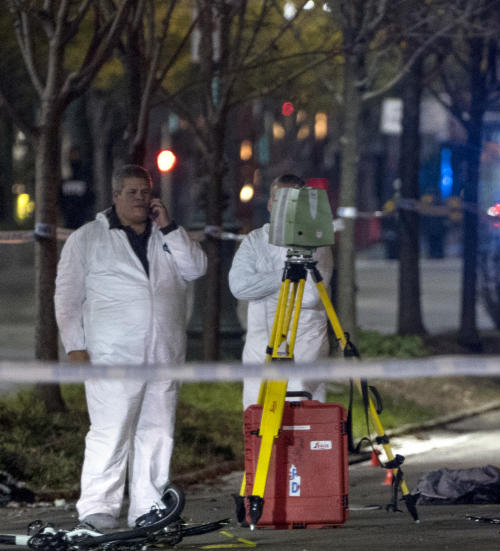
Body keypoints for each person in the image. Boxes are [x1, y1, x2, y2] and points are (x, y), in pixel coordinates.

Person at [54, 164, 207, 532]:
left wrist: (169, 227)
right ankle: (98, 507)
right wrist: (75, 346)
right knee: (111, 430)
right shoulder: (88, 238)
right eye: (132, 192)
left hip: (163, 352)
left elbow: (197, 268)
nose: (140, 198)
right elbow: (68, 296)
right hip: (112, 354)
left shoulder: (167, 236)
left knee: (157, 431)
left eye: (145, 191)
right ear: (116, 196)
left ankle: (148, 506)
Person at [229, 174, 334, 411]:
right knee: (257, 413)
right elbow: (240, 287)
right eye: (279, 199)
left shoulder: (316, 243)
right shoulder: (256, 240)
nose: (284, 206)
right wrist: (284, 276)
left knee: (300, 412)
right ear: (269, 203)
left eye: (292, 200)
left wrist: (264, 286)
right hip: (260, 342)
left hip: (304, 343)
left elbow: (310, 296)